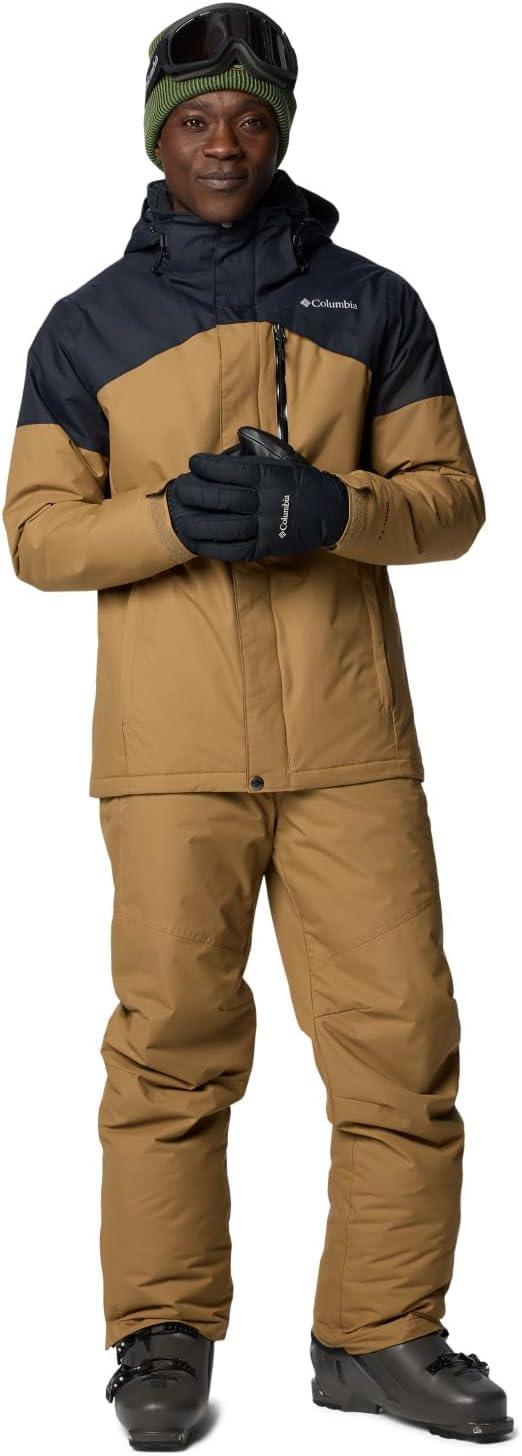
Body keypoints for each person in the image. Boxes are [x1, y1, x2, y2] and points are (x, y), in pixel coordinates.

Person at [2, 4, 513, 1450]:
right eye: (193, 119)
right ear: (155, 137)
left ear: (281, 128)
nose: (221, 143)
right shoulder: (86, 326)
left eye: (247, 117)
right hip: (166, 755)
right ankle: (160, 1334)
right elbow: (36, 535)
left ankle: (379, 1333)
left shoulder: (374, 303)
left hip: (350, 744)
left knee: (401, 1040)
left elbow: (452, 505)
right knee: (171, 1043)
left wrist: (330, 508)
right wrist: (171, 520)